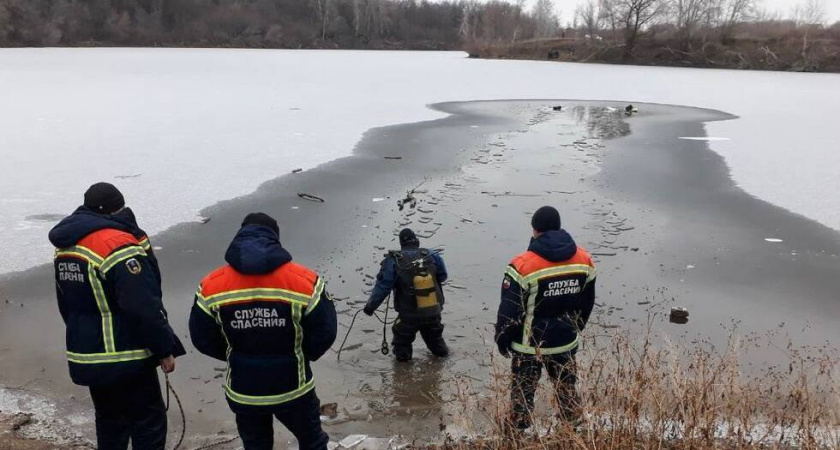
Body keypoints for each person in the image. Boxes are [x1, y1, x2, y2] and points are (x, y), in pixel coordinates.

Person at [49, 182, 185, 450]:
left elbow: (66, 303)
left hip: (87, 353)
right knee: (148, 422)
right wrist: (164, 348)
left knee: (110, 423)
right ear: (118, 208)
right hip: (127, 354)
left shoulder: (66, 246)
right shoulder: (116, 244)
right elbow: (142, 306)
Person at [189, 213, 337, 450]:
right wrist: (299, 354)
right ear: (275, 238)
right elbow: (325, 332)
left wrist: (234, 354)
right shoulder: (304, 281)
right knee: (313, 442)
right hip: (294, 388)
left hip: (244, 391)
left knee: (256, 445)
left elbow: (202, 338)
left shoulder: (211, 285)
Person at [495, 206, 596, 430]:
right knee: (567, 393)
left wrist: (502, 339)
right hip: (566, 342)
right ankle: (574, 433)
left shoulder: (522, 265)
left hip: (529, 347)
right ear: (559, 227)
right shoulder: (584, 259)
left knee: (522, 397)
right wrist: (575, 328)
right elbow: (587, 302)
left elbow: (509, 311)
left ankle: (517, 436)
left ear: (534, 230)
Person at [363, 228, 449, 362]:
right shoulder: (431, 255)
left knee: (401, 345)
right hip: (432, 310)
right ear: (416, 241)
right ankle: (444, 373)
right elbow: (443, 276)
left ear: (401, 244)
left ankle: (403, 376)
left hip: (408, 315)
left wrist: (370, 307)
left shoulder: (394, 260)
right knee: (438, 346)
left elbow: (383, 286)